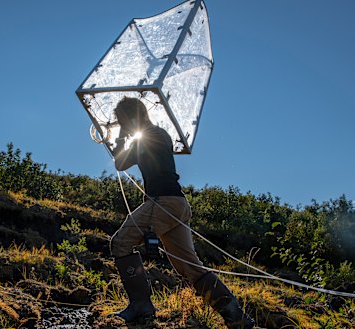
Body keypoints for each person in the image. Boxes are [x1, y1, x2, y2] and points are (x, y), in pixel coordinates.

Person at [109, 97, 255, 329]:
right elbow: (121, 163)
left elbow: (120, 163)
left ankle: (141, 306)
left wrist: (122, 137)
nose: (120, 123)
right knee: (189, 267)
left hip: (164, 203)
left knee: (120, 243)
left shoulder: (151, 136)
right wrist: (122, 136)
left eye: (122, 120)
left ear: (131, 117)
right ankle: (236, 318)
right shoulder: (157, 135)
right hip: (176, 204)